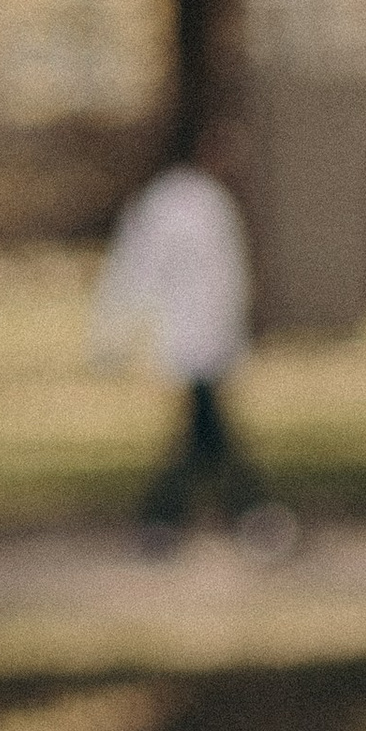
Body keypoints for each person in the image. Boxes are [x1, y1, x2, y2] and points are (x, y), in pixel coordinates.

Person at [89, 140, 291, 550]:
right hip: (193, 338)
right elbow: (140, 273)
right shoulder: (179, 204)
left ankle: (171, 520)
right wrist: (113, 338)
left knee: (204, 437)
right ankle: (245, 516)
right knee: (208, 435)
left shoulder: (199, 202)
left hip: (201, 339)